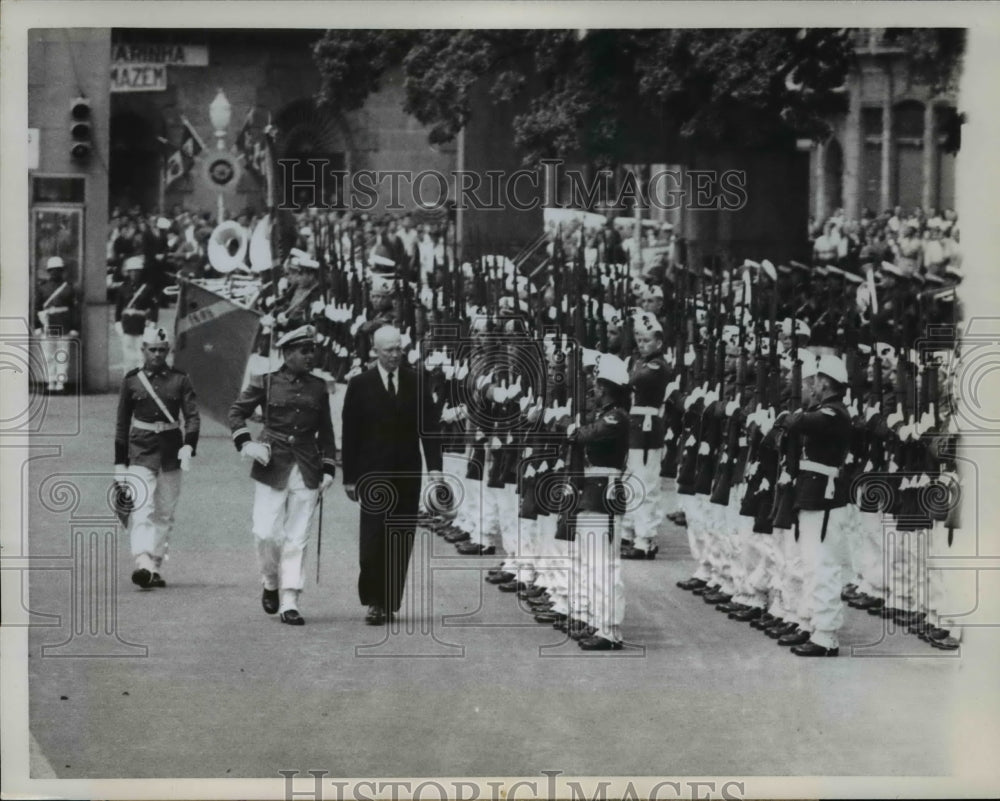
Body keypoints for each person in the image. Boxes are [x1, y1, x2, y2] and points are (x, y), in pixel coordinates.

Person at [228, 325, 337, 625]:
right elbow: (236, 412)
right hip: (272, 463)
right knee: (265, 532)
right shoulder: (266, 382)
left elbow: (326, 431)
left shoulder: (318, 387)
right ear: (287, 354)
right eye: (304, 351)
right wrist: (246, 443)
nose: (310, 356)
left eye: (312, 350)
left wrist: (328, 468)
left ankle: (290, 599)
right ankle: (270, 580)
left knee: (297, 535)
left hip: (307, 465)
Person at [340, 325, 443, 625]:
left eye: (399, 348)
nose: (396, 354)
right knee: (372, 540)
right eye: (389, 350)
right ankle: (373, 598)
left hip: (407, 473)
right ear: (375, 351)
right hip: (372, 474)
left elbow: (429, 428)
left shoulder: (416, 381)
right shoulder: (360, 384)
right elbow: (350, 433)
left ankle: (386, 602)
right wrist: (350, 477)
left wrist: (435, 468)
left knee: (400, 537)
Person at [114, 327, 200, 588]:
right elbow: (122, 423)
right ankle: (142, 561)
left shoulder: (180, 380)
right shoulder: (132, 381)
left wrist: (189, 445)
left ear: (168, 351)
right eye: (152, 349)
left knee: (165, 512)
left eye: (162, 350)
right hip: (140, 450)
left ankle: (155, 564)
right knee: (142, 508)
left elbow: (192, 416)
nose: (157, 355)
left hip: (172, 451)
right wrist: (119, 462)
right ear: (143, 350)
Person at [35, 256, 79, 393]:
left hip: (64, 324)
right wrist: (37, 326)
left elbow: (74, 310)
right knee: (48, 355)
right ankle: (50, 381)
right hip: (48, 324)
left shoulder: (69, 288)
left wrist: (74, 327)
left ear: (62, 271)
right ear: (49, 271)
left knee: (62, 355)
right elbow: (37, 308)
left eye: (58, 270)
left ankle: (60, 383)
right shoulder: (42, 288)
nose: (55, 272)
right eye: (53, 270)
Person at [114, 255, 159, 372]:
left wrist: (153, 323)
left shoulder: (147, 288)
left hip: (142, 325)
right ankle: (129, 377)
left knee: (141, 356)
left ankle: (141, 378)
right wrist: (117, 323)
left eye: (137, 271)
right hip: (127, 325)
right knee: (128, 356)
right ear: (128, 272)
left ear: (141, 272)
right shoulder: (123, 288)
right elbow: (119, 308)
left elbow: (154, 307)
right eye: (131, 271)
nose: (134, 274)